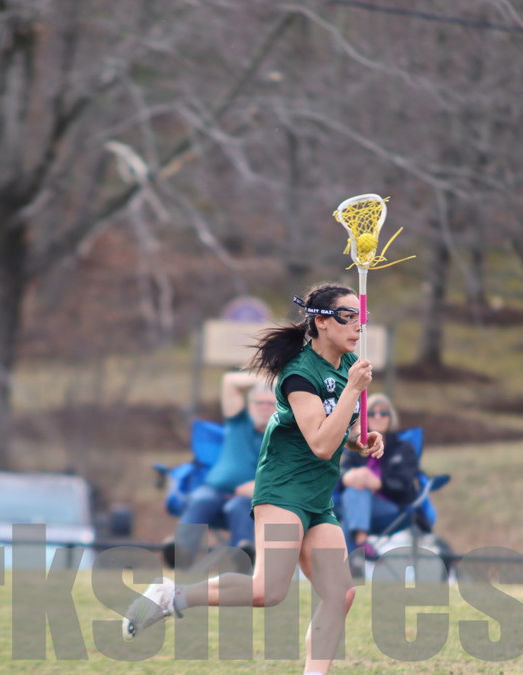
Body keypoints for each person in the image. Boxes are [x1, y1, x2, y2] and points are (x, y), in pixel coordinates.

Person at [124, 283, 384, 675]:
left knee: (340, 594)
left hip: (318, 496)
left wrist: (359, 439)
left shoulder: (349, 366)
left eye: (360, 318)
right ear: (321, 322)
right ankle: (171, 596)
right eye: (347, 317)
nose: (357, 326)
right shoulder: (298, 374)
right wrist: (353, 390)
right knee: (268, 591)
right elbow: (319, 444)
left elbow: (337, 432)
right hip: (283, 491)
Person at [171, 372, 275, 567]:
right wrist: (271, 379)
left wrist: (260, 489)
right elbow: (230, 381)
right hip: (215, 491)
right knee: (202, 498)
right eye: (259, 403)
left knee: (239, 507)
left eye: (270, 404)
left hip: (252, 499)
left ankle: (243, 555)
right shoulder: (238, 421)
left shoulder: (284, 435)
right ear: (249, 406)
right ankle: (181, 553)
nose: (264, 408)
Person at [337, 393, 420, 562]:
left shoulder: (403, 449)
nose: (378, 417)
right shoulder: (357, 446)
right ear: (364, 418)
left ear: (391, 417)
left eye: (383, 413)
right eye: (372, 413)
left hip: (390, 508)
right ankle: (359, 547)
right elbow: (339, 474)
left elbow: (406, 486)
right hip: (355, 506)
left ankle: (355, 550)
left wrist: (378, 483)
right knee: (354, 493)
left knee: (353, 499)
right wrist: (347, 478)